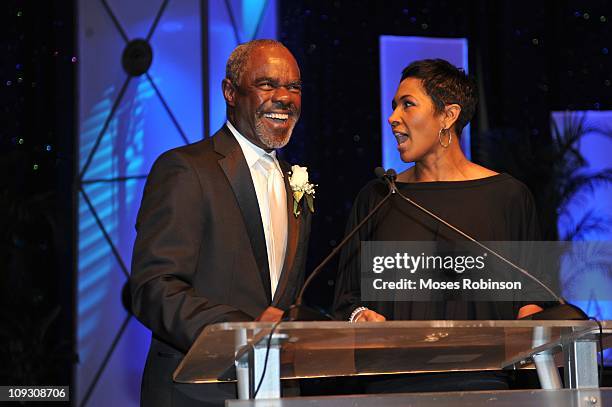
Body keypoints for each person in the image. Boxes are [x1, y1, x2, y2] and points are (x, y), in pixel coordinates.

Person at [333, 59, 544, 391]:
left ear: (448, 115)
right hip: (391, 385)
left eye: (408, 105)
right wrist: (359, 316)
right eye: (393, 107)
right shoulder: (378, 197)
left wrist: (530, 315)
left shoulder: (508, 197)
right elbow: (346, 298)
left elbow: (535, 299)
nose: (392, 118)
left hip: (483, 386)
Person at [130, 39, 312, 406]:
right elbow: (154, 287)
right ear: (230, 92)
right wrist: (239, 332)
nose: (284, 97)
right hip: (197, 391)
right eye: (267, 84)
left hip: (274, 391)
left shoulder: (297, 180)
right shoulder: (185, 169)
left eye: (293, 87)